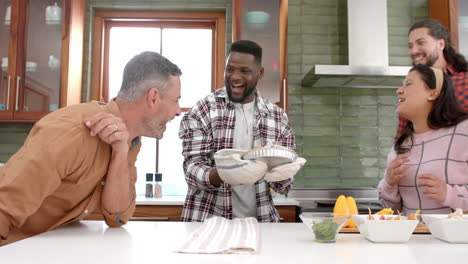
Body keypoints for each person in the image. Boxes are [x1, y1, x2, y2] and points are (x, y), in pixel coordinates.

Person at [0, 51, 182, 246]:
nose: (178, 111)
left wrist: (120, 152)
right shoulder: (71, 133)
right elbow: (3, 208)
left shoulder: (130, 141)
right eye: (176, 100)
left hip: (46, 249)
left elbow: (118, 216)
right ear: (153, 98)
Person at [179, 40, 304, 222]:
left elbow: (283, 185)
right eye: (230, 69)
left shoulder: (277, 118)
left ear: (259, 73)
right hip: (207, 223)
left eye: (244, 71)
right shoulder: (203, 110)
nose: (235, 77)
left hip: (260, 224)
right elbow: (192, 171)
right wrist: (225, 173)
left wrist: (281, 171)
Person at [379, 64, 468, 216]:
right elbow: (392, 211)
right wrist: (389, 183)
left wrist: (449, 194)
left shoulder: (463, 131)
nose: (399, 90)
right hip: (414, 238)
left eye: (409, 83)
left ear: (433, 93)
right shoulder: (400, 147)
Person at [397, 18, 468, 137]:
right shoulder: (410, 89)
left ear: (441, 44)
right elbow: (402, 139)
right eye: (410, 46)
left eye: (421, 43)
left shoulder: (465, 82)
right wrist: (396, 155)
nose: (414, 51)